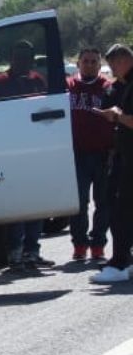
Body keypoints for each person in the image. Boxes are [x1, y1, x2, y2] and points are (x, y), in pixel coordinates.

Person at [0, 39, 53, 272]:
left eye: (26, 57)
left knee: (37, 203)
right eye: (18, 56)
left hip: (36, 151)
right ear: (11, 58)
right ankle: (15, 252)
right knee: (17, 205)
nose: (22, 61)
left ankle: (32, 251)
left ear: (32, 60)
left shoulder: (37, 81)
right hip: (10, 151)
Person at [90, 43, 133, 283]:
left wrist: (117, 116)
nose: (112, 71)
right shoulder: (123, 85)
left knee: (121, 212)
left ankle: (119, 263)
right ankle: (124, 259)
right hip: (124, 155)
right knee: (122, 209)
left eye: (113, 65)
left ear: (123, 61)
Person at [66, 48, 113, 261]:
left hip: (104, 154)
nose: (90, 65)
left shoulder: (107, 88)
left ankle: (98, 244)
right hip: (77, 154)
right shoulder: (68, 87)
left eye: (94, 61)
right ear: (78, 64)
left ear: (100, 64)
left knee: (103, 202)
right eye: (86, 61)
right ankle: (79, 244)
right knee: (79, 202)